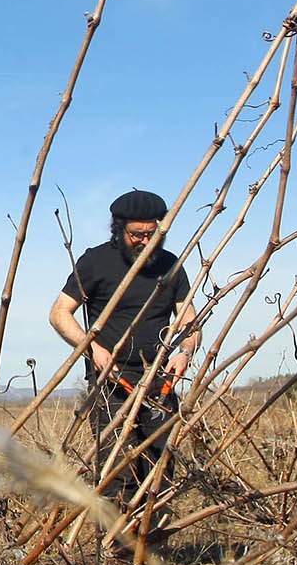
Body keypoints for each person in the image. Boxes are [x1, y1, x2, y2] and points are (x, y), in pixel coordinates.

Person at [49, 190, 199, 502]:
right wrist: (92, 348)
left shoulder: (171, 265)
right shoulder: (96, 261)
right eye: (136, 234)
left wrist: (186, 351)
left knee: (159, 476)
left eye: (152, 233)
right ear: (119, 230)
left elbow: (189, 320)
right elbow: (59, 313)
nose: (145, 241)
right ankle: (117, 550)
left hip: (160, 384)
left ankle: (152, 548)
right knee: (117, 478)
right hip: (111, 386)